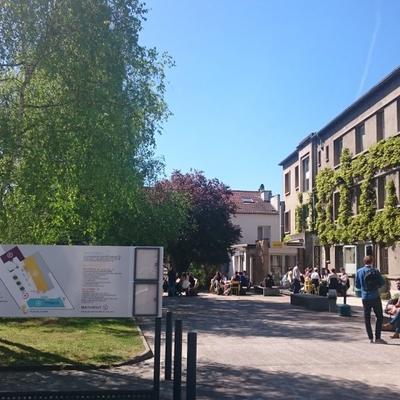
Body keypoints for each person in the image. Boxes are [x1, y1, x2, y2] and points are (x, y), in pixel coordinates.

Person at [355, 255, 386, 344]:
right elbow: (382, 282)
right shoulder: (375, 271)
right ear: (372, 262)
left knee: (367, 318)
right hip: (375, 296)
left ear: (364, 262)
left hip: (365, 297)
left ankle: (370, 338)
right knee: (379, 317)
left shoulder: (359, 271)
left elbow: (357, 285)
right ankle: (378, 337)